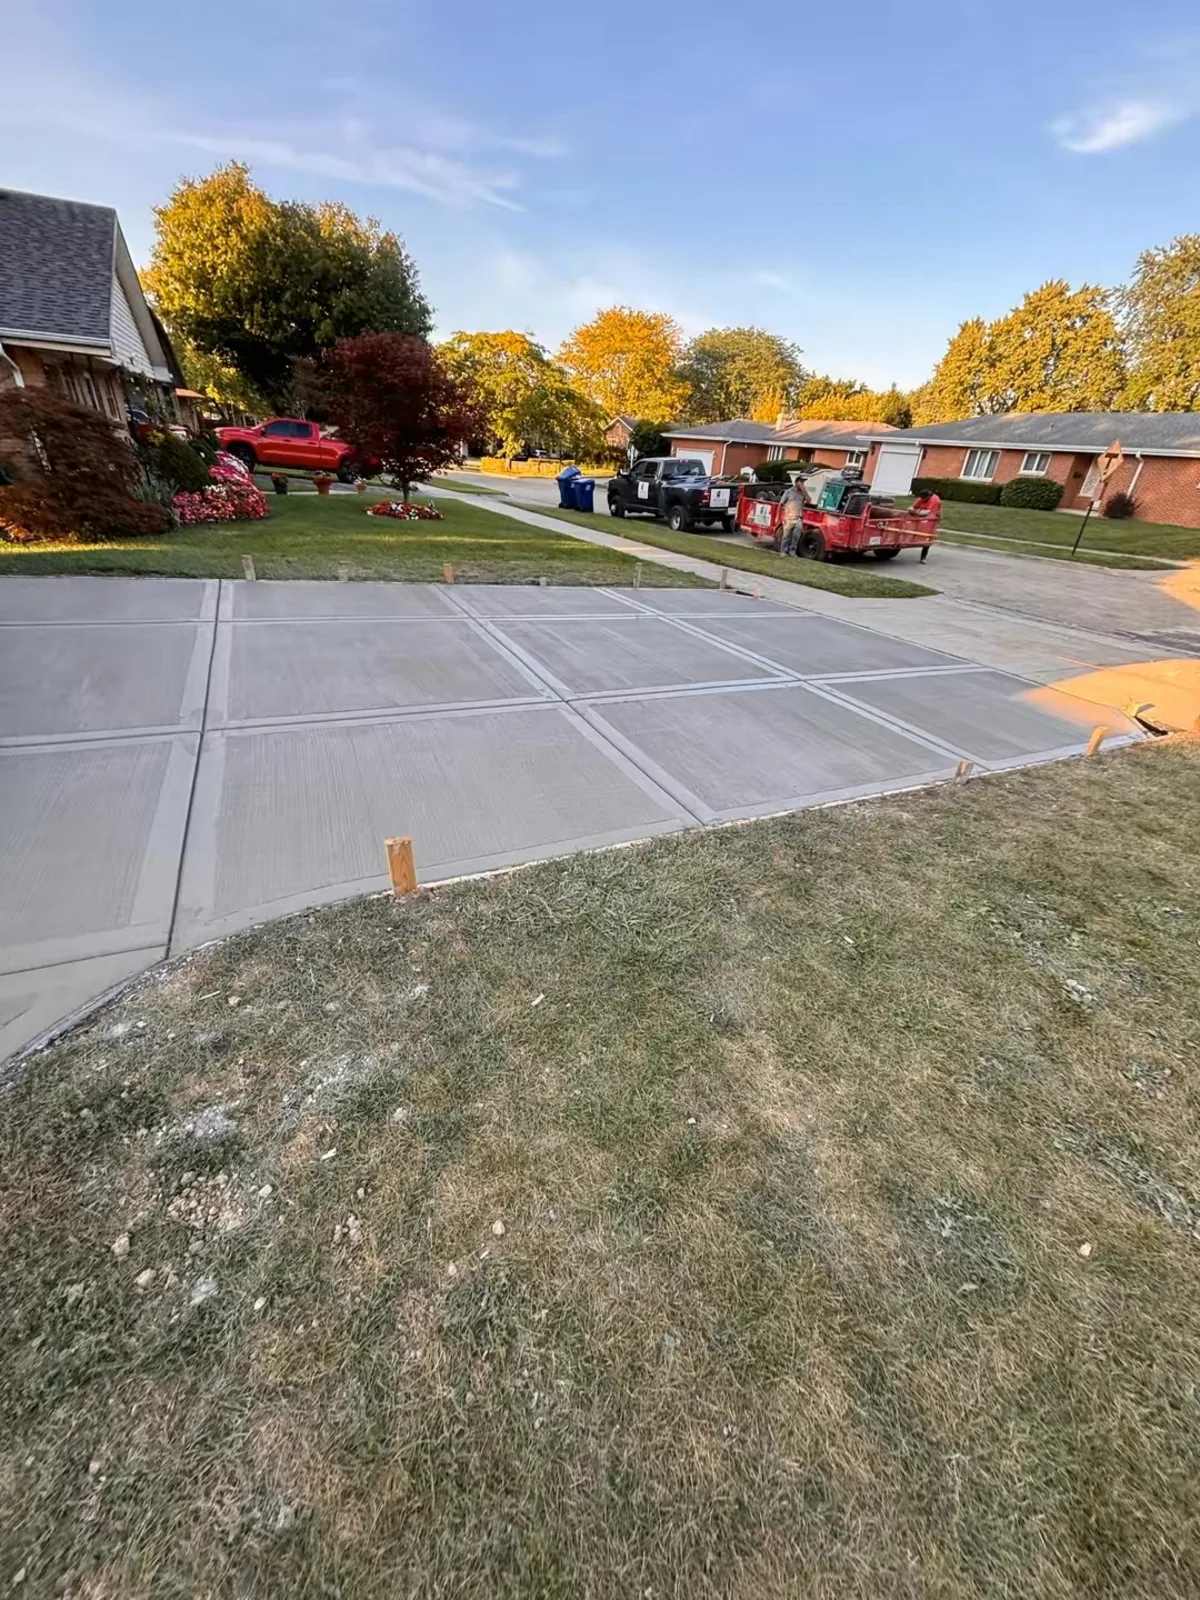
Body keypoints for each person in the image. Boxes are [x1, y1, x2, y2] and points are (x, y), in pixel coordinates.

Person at [778, 477, 807, 556]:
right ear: (796, 482)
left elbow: (809, 500)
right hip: (788, 517)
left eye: (803, 483)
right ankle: (783, 551)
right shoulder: (789, 492)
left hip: (798, 518)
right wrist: (780, 517)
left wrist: (804, 491)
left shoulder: (803, 493)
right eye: (801, 482)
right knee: (786, 535)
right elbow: (781, 504)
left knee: (796, 536)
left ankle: (792, 551)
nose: (802, 484)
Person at [911, 487, 941, 562]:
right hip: (922, 518)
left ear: (928, 496)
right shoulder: (922, 499)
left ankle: (923, 558)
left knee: (927, 537)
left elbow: (927, 512)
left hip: (931, 520)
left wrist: (916, 512)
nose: (922, 499)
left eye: (923, 498)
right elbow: (912, 508)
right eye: (921, 497)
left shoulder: (934, 500)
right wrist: (913, 510)